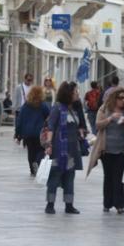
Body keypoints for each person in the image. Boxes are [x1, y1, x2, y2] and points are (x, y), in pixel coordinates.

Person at [86, 86, 124, 213]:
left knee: (119, 177)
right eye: (120, 98)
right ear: (114, 98)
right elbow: (98, 125)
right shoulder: (104, 109)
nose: (123, 100)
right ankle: (107, 203)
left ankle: (119, 204)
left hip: (121, 149)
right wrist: (110, 118)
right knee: (108, 176)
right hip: (106, 149)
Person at [42, 82, 82, 214]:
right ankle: (50, 204)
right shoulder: (57, 108)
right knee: (54, 176)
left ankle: (69, 205)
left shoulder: (73, 109)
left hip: (72, 149)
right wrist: (49, 144)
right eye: (75, 92)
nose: (77, 94)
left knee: (70, 176)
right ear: (68, 94)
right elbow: (51, 126)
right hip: (59, 149)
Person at [15, 86, 51, 176]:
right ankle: (37, 163)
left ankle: (32, 169)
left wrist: (18, 134)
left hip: (28, 133)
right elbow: (49, 117)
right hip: (39, 133)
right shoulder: (43, 105)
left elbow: (20, 120)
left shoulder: (26, 106)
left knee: (31, 151)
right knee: (40, 150)